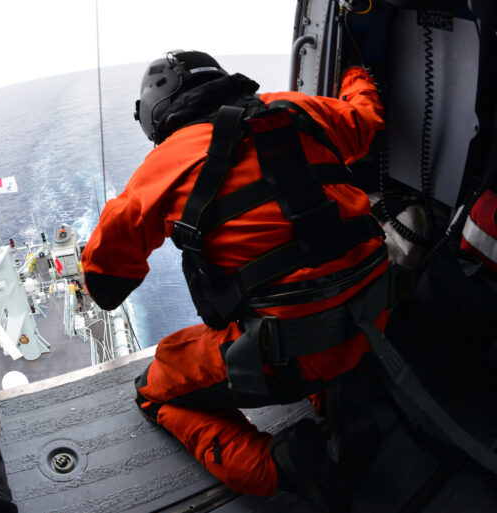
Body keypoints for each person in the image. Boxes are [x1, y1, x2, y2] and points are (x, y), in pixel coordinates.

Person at [81, 50, 388, 512]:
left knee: (156, 387)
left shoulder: (165, 164)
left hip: (289, 352)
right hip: (374, 319)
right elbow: (366, 118)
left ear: (157, 113)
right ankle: (344, 392)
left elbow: (104, 283)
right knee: (319, 303)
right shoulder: (300, 108)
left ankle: (281, 463)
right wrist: (355, 72)